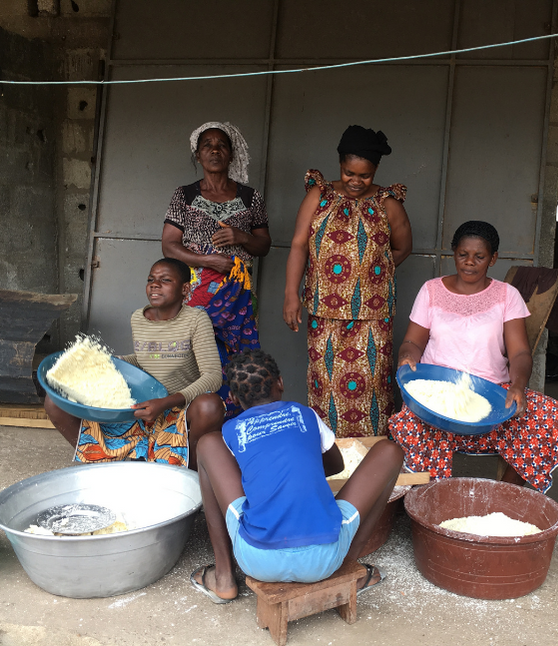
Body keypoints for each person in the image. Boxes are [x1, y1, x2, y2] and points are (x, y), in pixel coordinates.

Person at [189, 349, 404, 603]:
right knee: (390, 451)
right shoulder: (305, 414)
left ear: (234, 398)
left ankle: (223, 577)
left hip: (257, 559)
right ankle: (348, 570)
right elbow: (336, 465)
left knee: (207, 444)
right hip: (323, 560)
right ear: (280, 383)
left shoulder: (232, 430)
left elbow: (243, 476)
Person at [388, 221, 558, 492]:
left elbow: (519, 351)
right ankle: (429, 497)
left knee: (547, 414)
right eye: (463, 254)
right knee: (411, 420)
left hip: (491, 391)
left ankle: (504, 494)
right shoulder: (432, 290)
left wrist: (518, 385)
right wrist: (407, 357)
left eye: (479, 256)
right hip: (438, 393)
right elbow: (413, 342)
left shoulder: (507, 295)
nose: (469, 262)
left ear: (493, 258)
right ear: (454, 253)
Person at [283, 125, 412, 438]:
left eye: (364, 175)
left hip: (373, 318)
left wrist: (369, 273)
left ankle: (372, 462)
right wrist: (291, 294)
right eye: (348, 173)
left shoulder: (387, 203)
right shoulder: (319, 195)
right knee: (325, 387)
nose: (356, 181)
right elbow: (299, 243)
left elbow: (402, 247)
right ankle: (329, 459)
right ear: (339, 165)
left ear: (376, 170)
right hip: (323, 314)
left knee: (373, 390)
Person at [44, 258, 225, 470]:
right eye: (151, 279)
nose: (155, 285)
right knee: (54, 401)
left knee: (210, 406)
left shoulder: (196, 320)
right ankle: (104, 465)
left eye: (165, 280)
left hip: (179, 409)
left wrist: (166, 402)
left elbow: (213, 375)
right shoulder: (139, 318)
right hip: (140, 407)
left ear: (185, 289)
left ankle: (188, 475)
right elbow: (146, 357)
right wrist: (108, 363)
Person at [162, 122, 271, 418]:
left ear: (231, 154)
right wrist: (209, 261)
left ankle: (232, 423)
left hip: (238, 295)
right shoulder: (183, 195)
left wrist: (242, 237)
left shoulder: (251, 198)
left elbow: (263, 245)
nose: (214, 150)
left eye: (221, 145)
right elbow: (169, 246)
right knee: (192, 355)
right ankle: (191, 422)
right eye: (207, 145)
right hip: (195, 292)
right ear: (198, 155)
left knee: (238, 359)